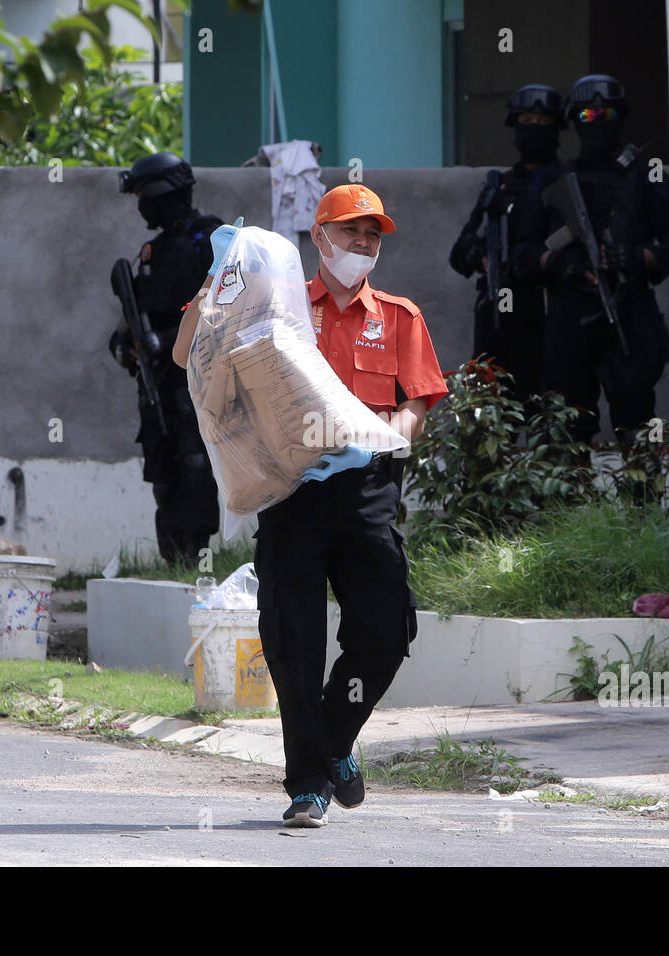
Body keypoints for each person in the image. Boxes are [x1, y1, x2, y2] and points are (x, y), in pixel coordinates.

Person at [172, 185, 448, 827]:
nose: (364, 243)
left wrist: (382, 438)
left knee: (384, 631)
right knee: (292, 639)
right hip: (290, 490)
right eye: (352, 231)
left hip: (366, 490)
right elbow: (189, 351)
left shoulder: (400, 317)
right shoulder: (274, 303)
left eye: (374, 234)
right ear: (319, 237)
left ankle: (334, 741)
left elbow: (418, 406)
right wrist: (215, 281)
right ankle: (308, 787)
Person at [511, 75, 669, 460]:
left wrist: (636, 257)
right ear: (575, 120)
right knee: (566, 430)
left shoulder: (647, 176)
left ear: (620, 117)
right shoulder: (554, 180)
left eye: (605, 113)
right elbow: (522, 252)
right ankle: (570, 517)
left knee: (636, 426)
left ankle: (642, 513)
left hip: (628, 311)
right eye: (587, 113)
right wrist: (560, 262)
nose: (596, 120)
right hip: (569, 317)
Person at [111, 151, 222, 563]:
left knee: (194, 461)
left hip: (199, 376)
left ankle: (197, 553)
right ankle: (171, 556)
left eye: (144, 195)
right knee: (162, 468)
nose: (141, 205)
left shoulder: (211, 239)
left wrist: (170, 340)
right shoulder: (151, 254)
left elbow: (223, 311)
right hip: (156, 379)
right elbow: (130, 318)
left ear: (165, 194)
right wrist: (124, 346)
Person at [449, 84, 567, 404]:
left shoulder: (566, 183)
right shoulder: (500, 185)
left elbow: (570, 234)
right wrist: (480, 256)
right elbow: (460, 249)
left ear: (557, 129)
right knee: (490, 403)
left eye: (543, 123)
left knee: (543, 403)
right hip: (496, 306)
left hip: (543, 306)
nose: (534, 130)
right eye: (527, 121)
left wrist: (536, 256)